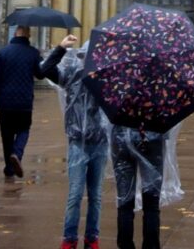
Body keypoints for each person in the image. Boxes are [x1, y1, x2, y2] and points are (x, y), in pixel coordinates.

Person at [43, 34, 112, 249]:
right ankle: (69, 239)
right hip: (77, 144)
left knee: (96, 196)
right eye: (85, 57)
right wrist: (61, 48)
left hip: (99, 143)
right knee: (74, 194)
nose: (88, 61)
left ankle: (92, 238)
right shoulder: (71, 75)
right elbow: (45, 70)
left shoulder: (105, 80)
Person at [0, 24, 45, 180]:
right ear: (27, 35)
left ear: (16, 33)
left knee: (7, 135)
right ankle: (17, 153)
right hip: (24, 101)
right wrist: (42, 59)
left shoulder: (4, 53)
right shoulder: (33, 53)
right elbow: (40, 75)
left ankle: (9, 168)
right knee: (24, 130)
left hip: (5, 102)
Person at [111, 124, 177, 249]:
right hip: (153, 136)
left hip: (121, 137)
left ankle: (125, 245)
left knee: (125, 203)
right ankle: (151, 245)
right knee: (151, 204)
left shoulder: (117, 105)